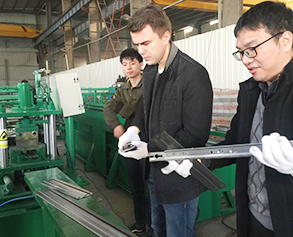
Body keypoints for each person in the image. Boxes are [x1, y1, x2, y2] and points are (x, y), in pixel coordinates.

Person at [176, 2, 293, 237]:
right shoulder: (252, 92)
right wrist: (200, 159)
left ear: (285, 40)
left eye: (252, 49)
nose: (246, 59)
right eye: (241, 52)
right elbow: (235, 143)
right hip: (251, 217)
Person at [118, 4, 213, 237]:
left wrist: (149, 148)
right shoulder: (150, 70)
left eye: (146, 43)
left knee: (177, 232)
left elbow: (195, 134)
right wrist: (134, 128)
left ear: (166, 36)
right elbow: (145, 109)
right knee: (157, 229)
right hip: (154, 174)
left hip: (180, 179)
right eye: (136, 44)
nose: (140, 51)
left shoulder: (193, 75)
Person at [103, 48, 150, 236]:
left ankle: (154, 227)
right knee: (136, 185)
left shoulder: (150, 84)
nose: (128, 67)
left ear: (141, 64)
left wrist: (123, 112)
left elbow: (137, 109)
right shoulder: (123, 89)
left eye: (132, 63)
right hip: (130, 140)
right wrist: (116, 126)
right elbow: (108, 109)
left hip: (148, 137)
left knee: (150, 186)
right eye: (124, 64)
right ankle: (140, 223)